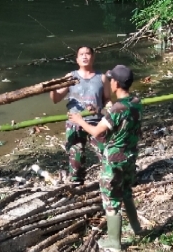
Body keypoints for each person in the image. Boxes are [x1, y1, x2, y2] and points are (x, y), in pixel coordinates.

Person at [69, 65, 143, 252]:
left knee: (111, 201)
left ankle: (114, 243)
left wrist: (79, 121)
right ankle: (137, 229)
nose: (109, 81)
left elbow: (96, 131)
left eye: (111, 79)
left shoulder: (117, 109)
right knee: (126, 192)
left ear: (116, 83)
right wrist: (99, 111)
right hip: (130, 156)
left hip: (114, 160)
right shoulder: (136, 101)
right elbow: (116, 116)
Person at [50, 46, 111, 183]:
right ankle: (77, 183)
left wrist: (108, 110)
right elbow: (56, 99)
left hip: (96, 122)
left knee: (105, 152)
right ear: (77, 59)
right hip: (74, 122)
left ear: (93, 57)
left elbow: (107, 99)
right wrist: (53, 89)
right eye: (81, 54)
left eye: (88, 54)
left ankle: (112, 179)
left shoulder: (101, 78)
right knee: (76, 157)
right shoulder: (70, 77)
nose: (84, 56)